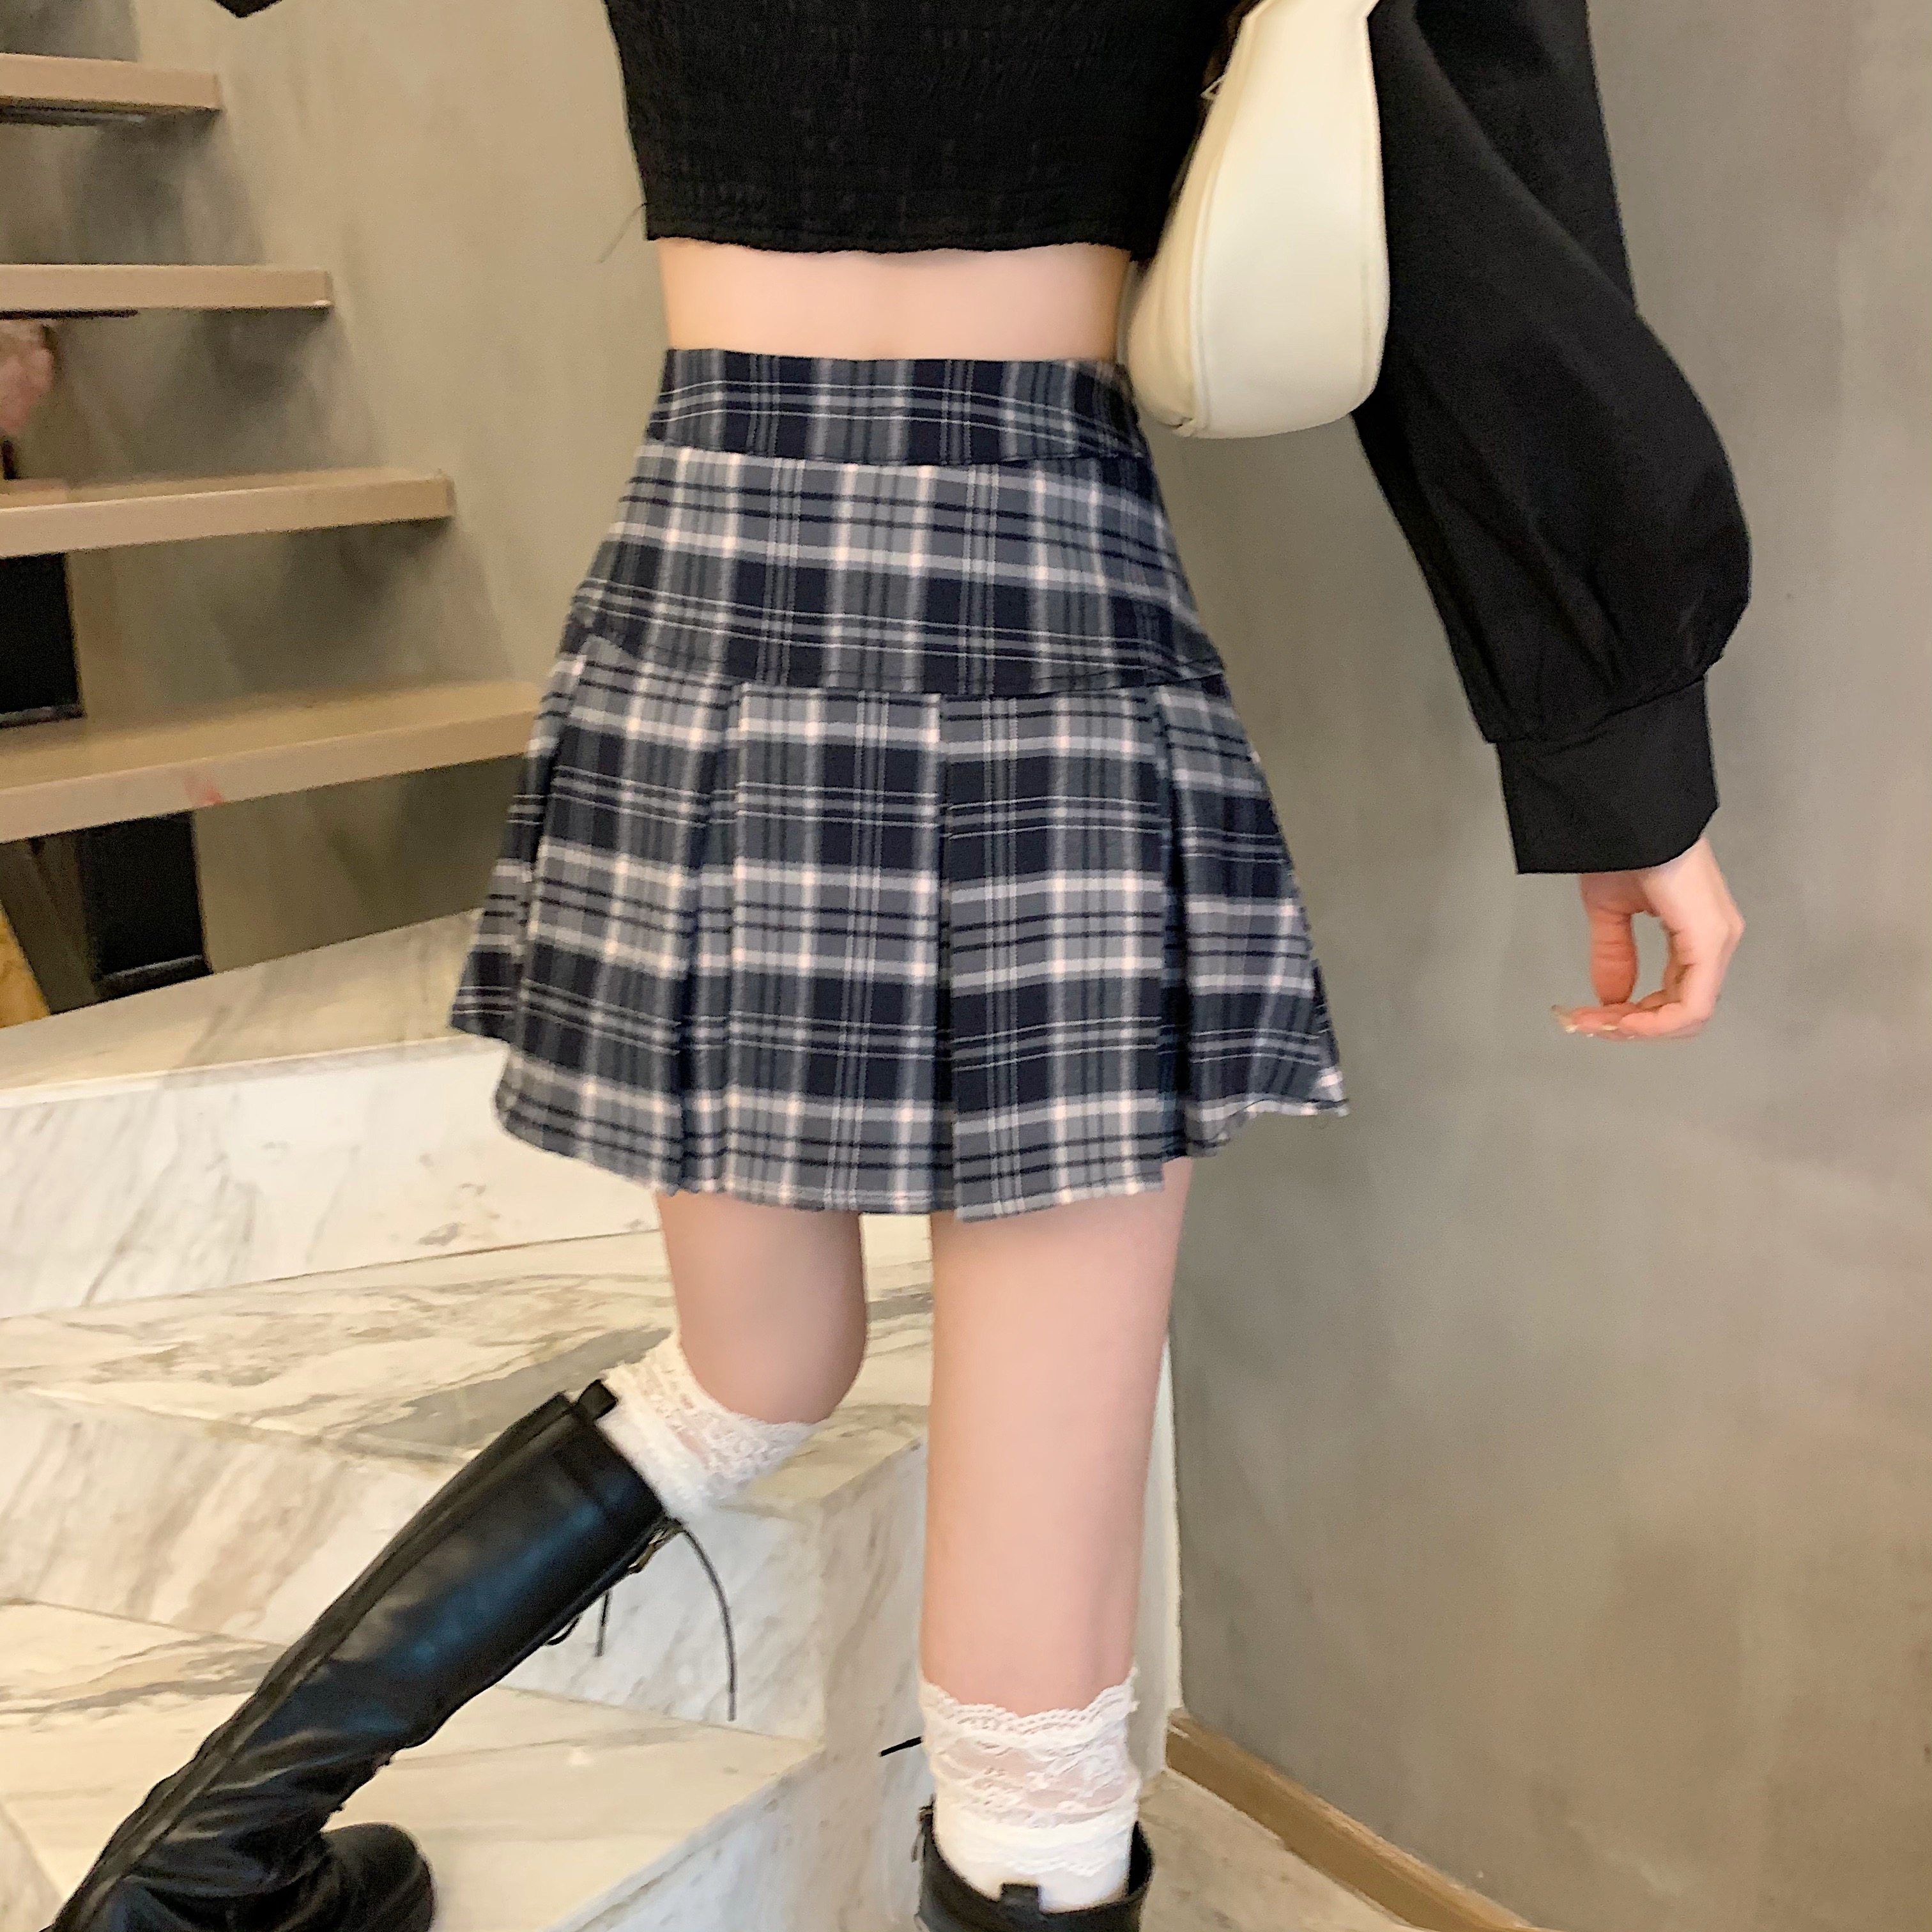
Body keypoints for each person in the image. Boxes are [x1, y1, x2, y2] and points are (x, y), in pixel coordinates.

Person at [49, 3, 1749, 1930]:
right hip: (1038, 598)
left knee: (755, 1366)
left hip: (706, 587)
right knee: (1036, 1633)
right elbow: (1483, 191)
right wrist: (1622, 754)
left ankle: (194, 1870)